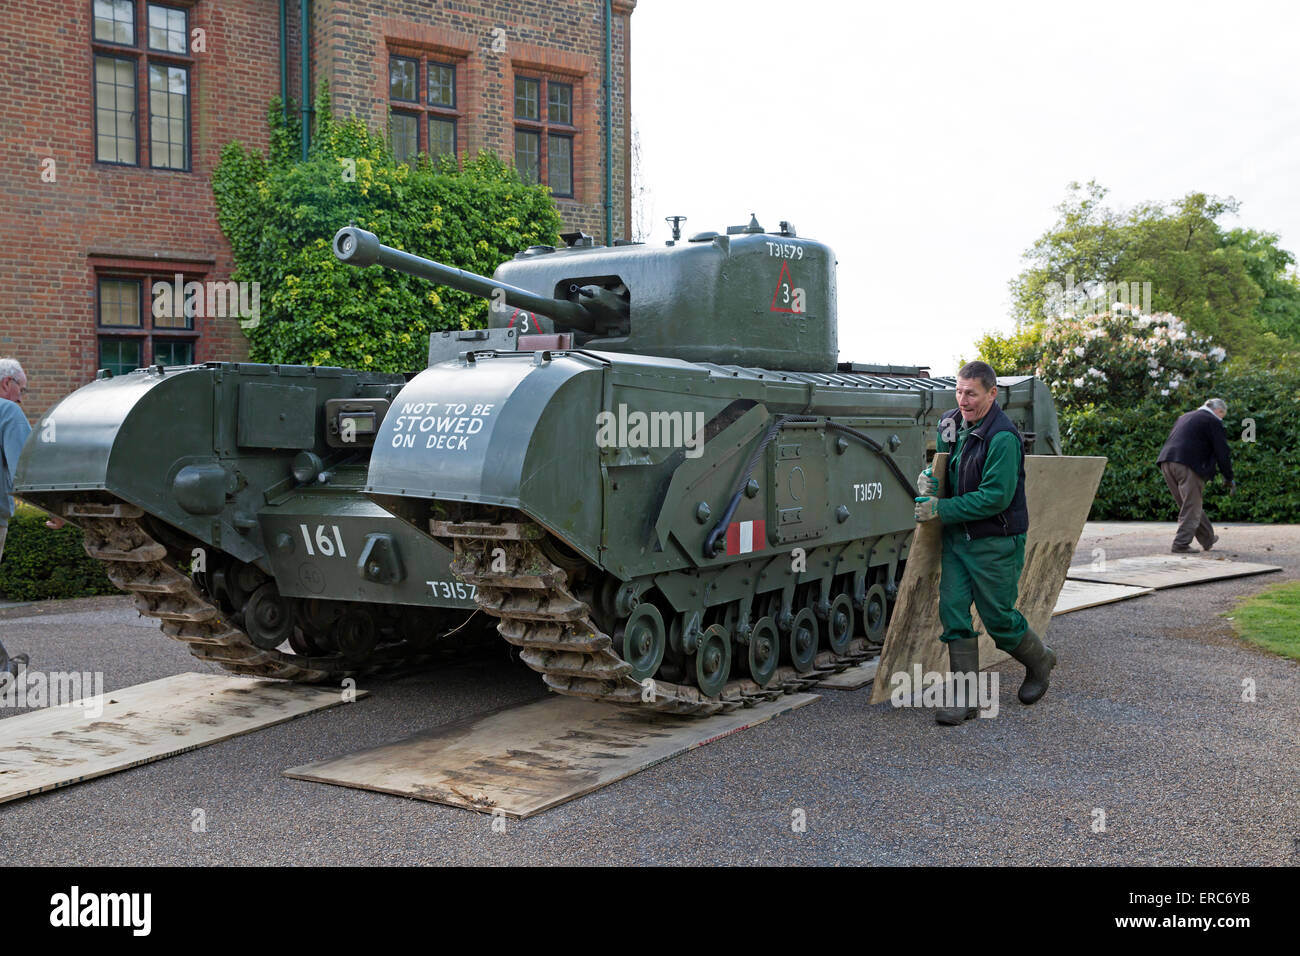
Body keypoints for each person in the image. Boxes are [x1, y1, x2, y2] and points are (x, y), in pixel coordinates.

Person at [913, 361, 1057, 725]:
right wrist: (929, 478)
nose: (963, 400)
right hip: (958, 538)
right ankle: (966, 698)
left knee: (999, 620)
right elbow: (942, 465)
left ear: (992, 394)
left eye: (971, 393)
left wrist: (940, 507)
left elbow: (995, 496)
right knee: (953, 611)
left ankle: (1040, 660)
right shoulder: (951, 423)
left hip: (996, 541)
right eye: (959, 391)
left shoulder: (1003, 438)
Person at [1156, 398, 1235, 554]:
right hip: (1188, 464)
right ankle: (1181, 544)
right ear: (1219, 411)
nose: (1221, 419)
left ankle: (1207, 538)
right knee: (1192, 505)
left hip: (1167, 461)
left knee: (1190, 504)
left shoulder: (1185, 416)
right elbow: (1222, 451)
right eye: (1222, 415)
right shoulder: (1212, 420)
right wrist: (1228, 477)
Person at [0, 357, 33, 681]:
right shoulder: (8, 411)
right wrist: (56, 510)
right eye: (21, 389)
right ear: (6, 383)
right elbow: (28, 472)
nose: (21, 397)